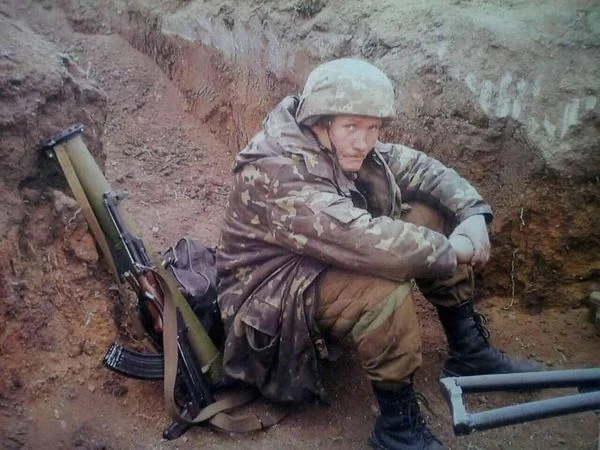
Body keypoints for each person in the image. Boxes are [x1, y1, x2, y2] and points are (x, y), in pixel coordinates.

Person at [216, 58, 538, 450]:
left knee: (431, 216)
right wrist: (453, 250)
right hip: (269, 304)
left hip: (312, 261)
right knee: (382, 287)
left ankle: (469, 351)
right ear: (321, 121)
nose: (363, 141)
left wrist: (472, 213)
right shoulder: (279, 172)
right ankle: (397, 428)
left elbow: (419, 167)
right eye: (352, 127)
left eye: (372, 128)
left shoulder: (336, 140)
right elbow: (368, 243)